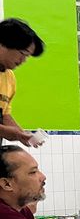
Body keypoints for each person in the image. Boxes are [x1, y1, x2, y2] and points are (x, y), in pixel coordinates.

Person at [0, 19, 45, 147]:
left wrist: (22, 134)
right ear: (3, 44)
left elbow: (4, 115)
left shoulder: (9, 77)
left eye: (27, 57)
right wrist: (8, 132)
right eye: (22, 54)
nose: (23, 60)